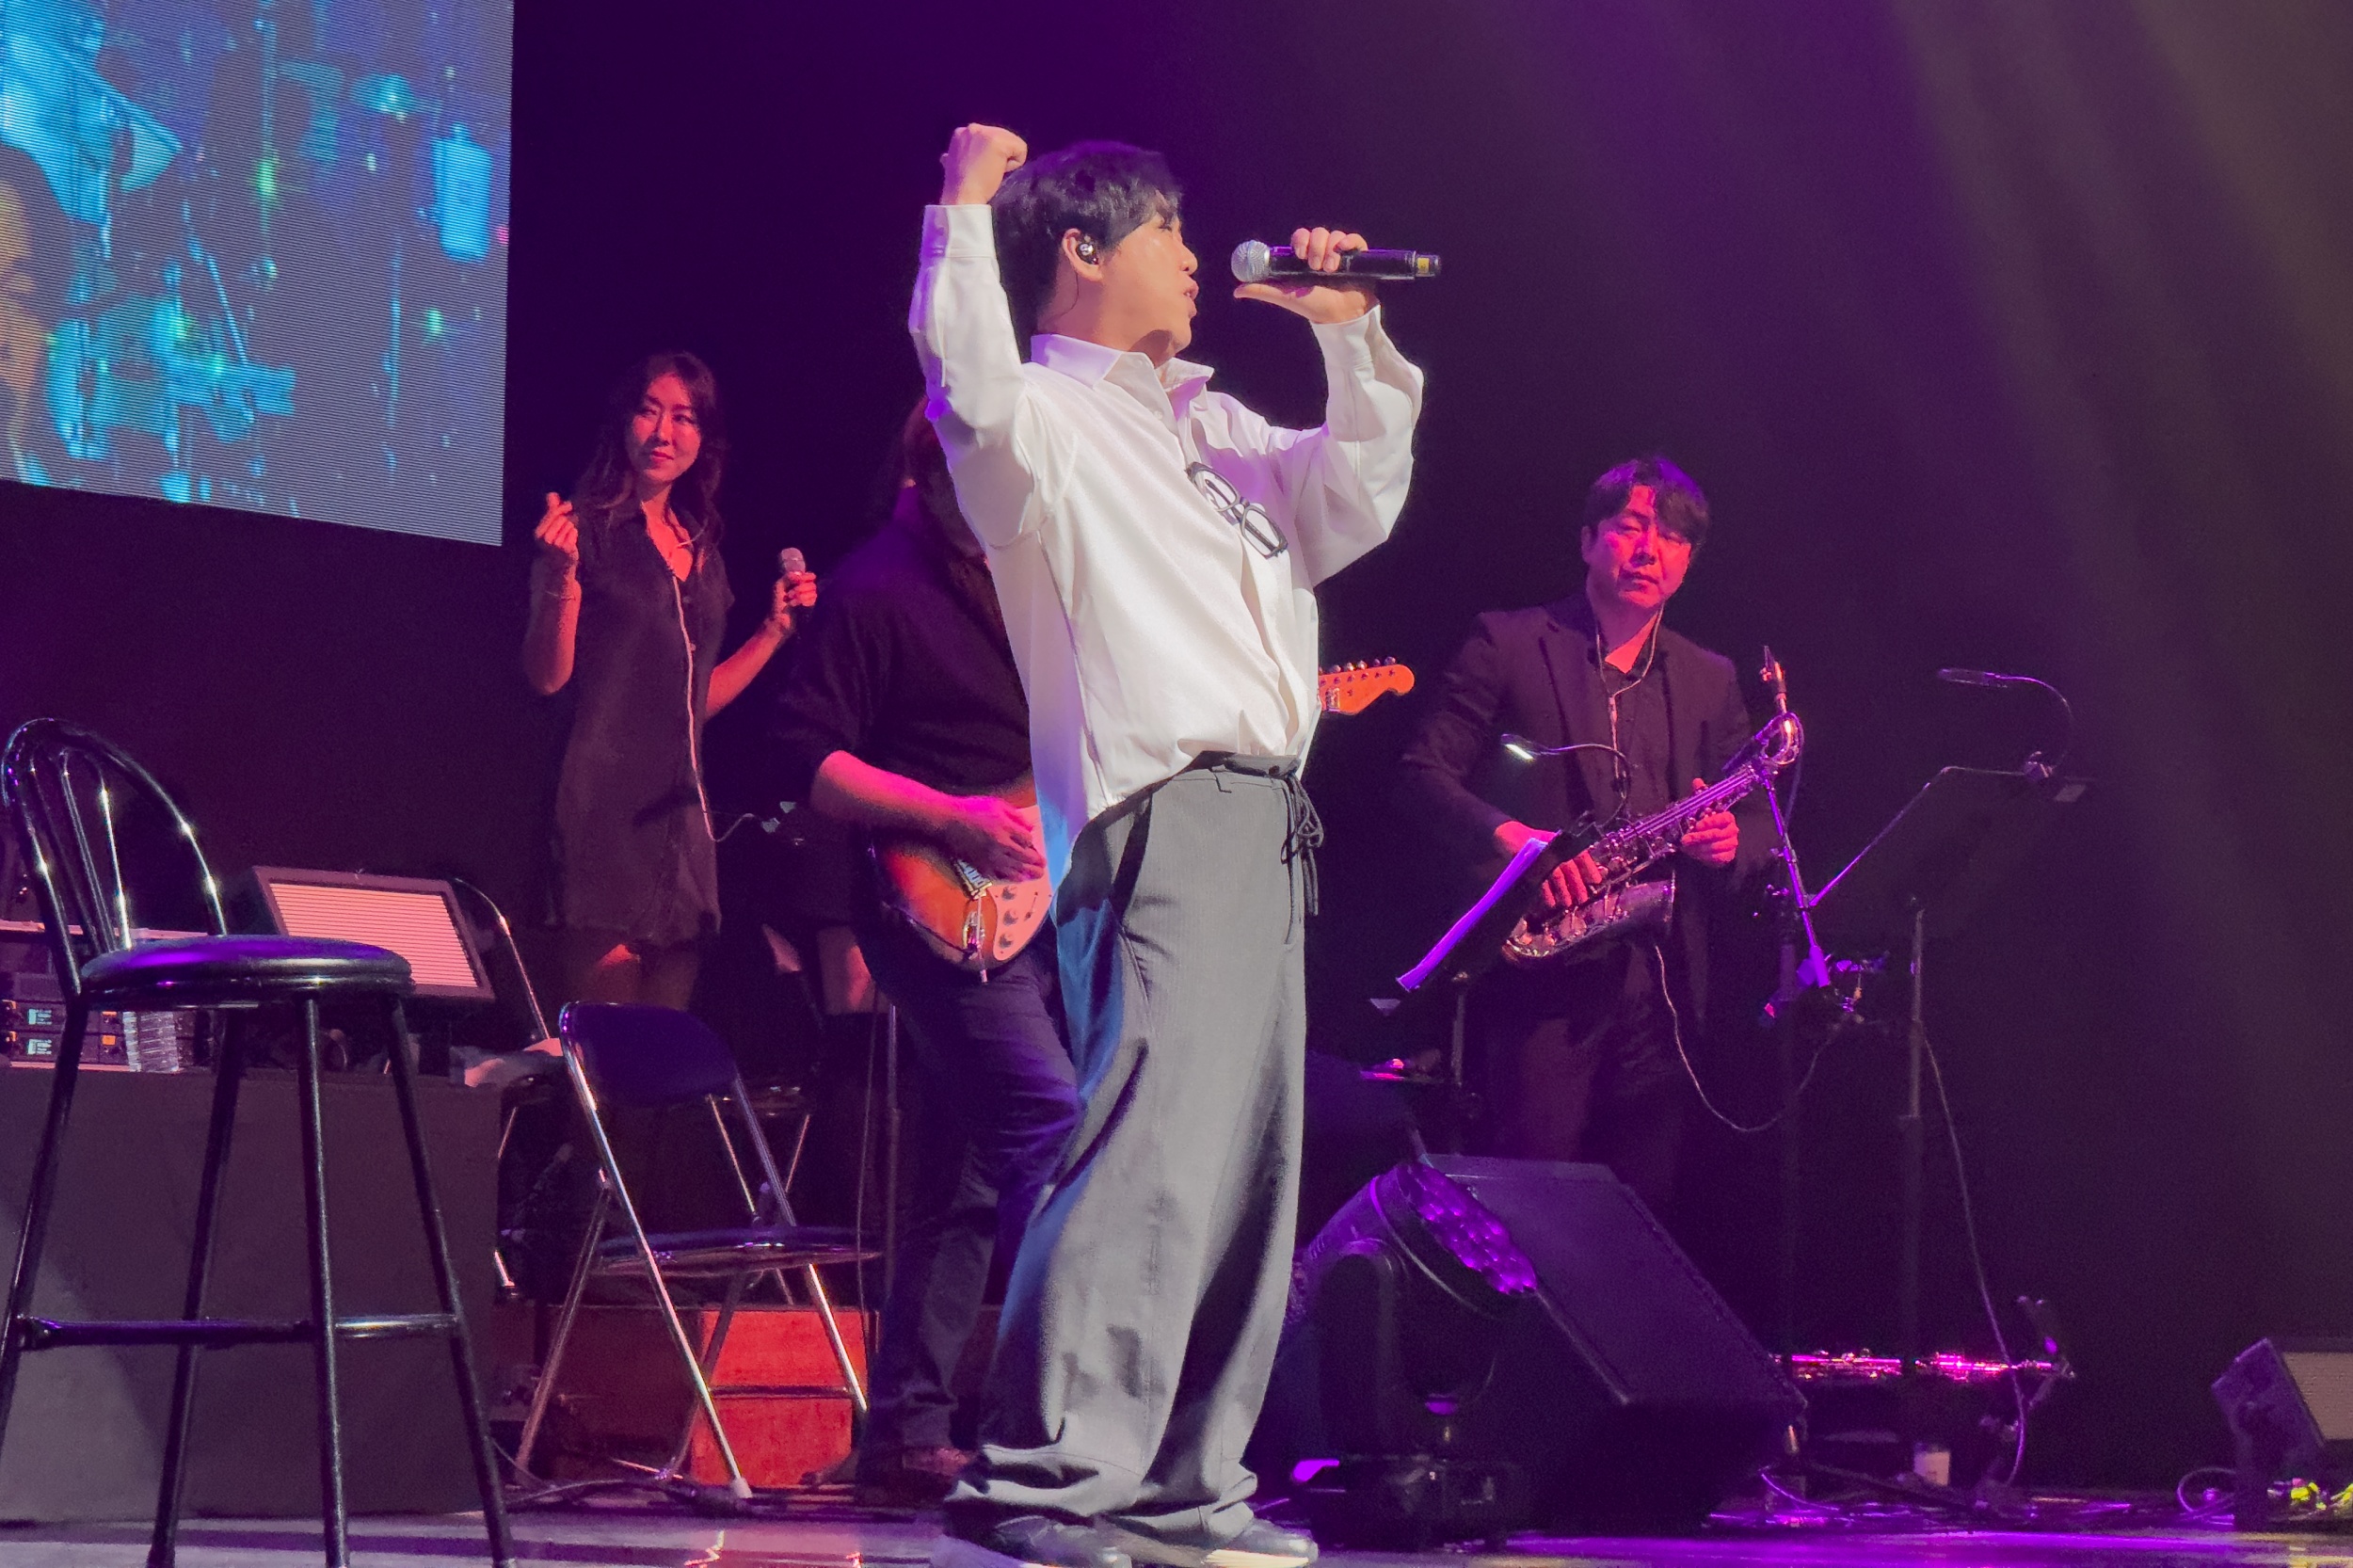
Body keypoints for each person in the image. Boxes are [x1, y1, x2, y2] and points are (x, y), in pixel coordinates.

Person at [913, 124, 1423, 1568]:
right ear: (1083, 250)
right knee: (1144, 1147)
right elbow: (966, 390)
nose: (1195, 257)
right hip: (1165, 812)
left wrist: (1349, 333)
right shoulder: (1043, 417)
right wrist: (963, 203)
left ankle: (1185, 1489)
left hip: (1266, 821)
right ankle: (1047, 1476)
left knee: (1247, 1169)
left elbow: (1355, 501)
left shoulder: (1216, 425)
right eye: (1168, 231)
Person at [772, 405, 1080, 1507]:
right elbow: (803, 758)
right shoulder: (875, 587)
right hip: (929, 906)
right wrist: (951, 819)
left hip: (1025, 908)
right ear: (932, 469)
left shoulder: (1024, 580)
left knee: (967, 1168)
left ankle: (906, 1430)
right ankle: (1053, 1423)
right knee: (1055, 1131)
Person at [1395, 456, 1771, 1212]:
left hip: (1662, 990)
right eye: (1630, 528)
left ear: (1688, 562)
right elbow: (1422, 774)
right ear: (1589, 540)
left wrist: (1732, 841)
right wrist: (1513, 839)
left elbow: (1760, 821)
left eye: (1671, 538)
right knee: (1532, 1205)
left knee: (1641, 1213)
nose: (1649, 550)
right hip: (1540, 974)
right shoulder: (1506, 641)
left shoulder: (1712, 677)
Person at [522, 351, 817, 1007]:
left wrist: (772, 632)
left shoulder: (701, 547)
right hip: (602, 812)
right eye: (649, 412)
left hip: (680, 820)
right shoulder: (585, 530)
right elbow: (547, 678)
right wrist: (559, 578)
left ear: (704, 437)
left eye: (683, 418)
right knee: (607, 1049)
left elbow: (689, 704)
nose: (663, 433)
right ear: (623, 422)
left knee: (663, 1052)